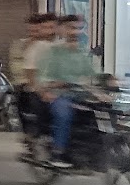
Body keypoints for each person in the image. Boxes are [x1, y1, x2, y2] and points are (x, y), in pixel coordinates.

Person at [38, 14, 99, 168]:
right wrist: (51, 87)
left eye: (79, 28)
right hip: (59, 96)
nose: (76, 32)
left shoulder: (81, 53)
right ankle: (57, 153)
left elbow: (92, 74)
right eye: (72, 28)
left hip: (80, 95)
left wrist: (109, 80)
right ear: (62, 30)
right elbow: (42, 77)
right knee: (64, 114)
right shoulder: (53, 52)